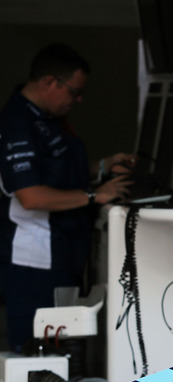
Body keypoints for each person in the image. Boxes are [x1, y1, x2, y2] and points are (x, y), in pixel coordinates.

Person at [0, 43, 134, 353]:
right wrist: (94, 195)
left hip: (62, 255)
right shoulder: (17, 125)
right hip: (32, 263)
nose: (78, 100)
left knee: (64, 351)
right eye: (74, 92)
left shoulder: (47, 119)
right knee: (37, 356)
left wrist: (101, 167)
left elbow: (55, 174)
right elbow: (31, 195)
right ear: (49, 82)